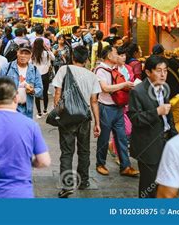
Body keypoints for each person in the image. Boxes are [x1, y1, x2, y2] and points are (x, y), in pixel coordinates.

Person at [52, 45, 102, 198]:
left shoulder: (64, 70)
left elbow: (57, 94)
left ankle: (67, 185)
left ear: (73, 57)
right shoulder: (92, 76)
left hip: (67, 117)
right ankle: (84, 180)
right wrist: (97, 123)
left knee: (67, 152)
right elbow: (94, 101)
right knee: (84, 150)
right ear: (87, 60)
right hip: (84, 118)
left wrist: (59, 113)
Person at [128, 55, 178, 198]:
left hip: (166, 141)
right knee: (149, 185)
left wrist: (175, 137)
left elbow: (169, 116)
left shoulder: (164, 88)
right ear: (148, 72)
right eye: (158, 70)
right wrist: (156, 111)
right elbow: (135, 118)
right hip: (148, 144)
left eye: (165, 70)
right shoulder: (138, 91)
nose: (163, 74)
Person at [94, 46, 139, 178]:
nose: (118, 55)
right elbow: (105, 88)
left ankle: (125, 166)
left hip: (119, 107)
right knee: (104, 138)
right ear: (109, 56)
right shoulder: (100, 70)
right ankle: (100, 164)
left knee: (122, 137)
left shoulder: (117, 68)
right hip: (106, 108)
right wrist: (124, 85)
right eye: (115, 53)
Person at [0, 43, 43, 119]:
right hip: (10, 109)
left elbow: (40, 89)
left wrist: (33, 91)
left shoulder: (34, 70)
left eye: (26, 53)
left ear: (30, 55)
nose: (23, 56)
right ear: (17, 53)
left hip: (27, 109)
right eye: (21, 53)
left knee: (25, 130)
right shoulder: (6, 68)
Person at [152, 44, 179, 134]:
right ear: (163, 52)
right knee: (178, 120)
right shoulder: (169, 61)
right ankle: (177, 140)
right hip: (173, 96)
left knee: (164, 120)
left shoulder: (149, 64)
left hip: (158, 98)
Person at [31, 38, 55, 118]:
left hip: (36, 75)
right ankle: (45, 110)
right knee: (45, 93)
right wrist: (48, 49)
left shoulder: (33, 54)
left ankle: (39, 113)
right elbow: (53, 58)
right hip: (45, 75)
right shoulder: (46, 53)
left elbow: (29, 64)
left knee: (37, 94)